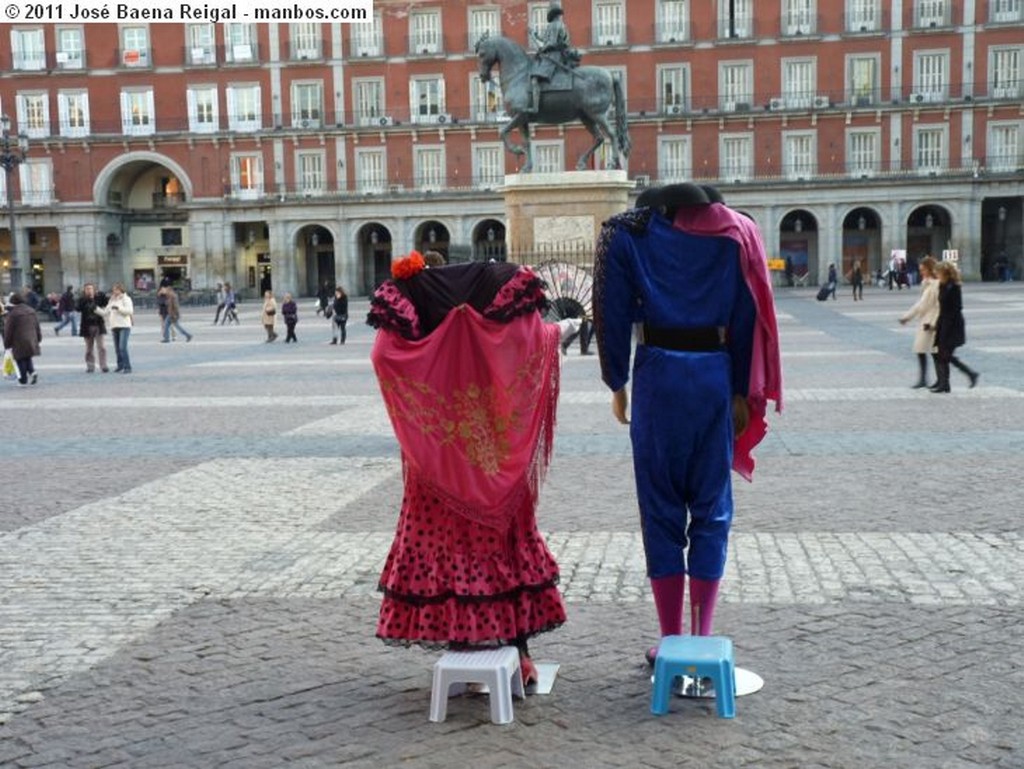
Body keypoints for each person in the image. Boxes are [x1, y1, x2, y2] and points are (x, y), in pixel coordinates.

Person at [593, 183, 782, 664]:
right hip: (714, 375)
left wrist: (616, 380)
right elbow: (746, 316)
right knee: (711, 506)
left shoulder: (627, 236)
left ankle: (670, 636)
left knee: (660, 509)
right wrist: (741, 385)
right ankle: (702, 633)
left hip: (657, 375)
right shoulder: (736, 235)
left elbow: (610, 312)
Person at [367, 250, 566, 687]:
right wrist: (556, 335)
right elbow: (530, 343)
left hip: (436, 459)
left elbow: (383, 357)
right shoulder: (500, 291)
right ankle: (520, 651)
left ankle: (462, 644)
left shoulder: (414, 303)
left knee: (443, 551)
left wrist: (424, 399)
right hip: (492, 453)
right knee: (505, 551)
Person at [931, 261, 979, 393]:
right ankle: (946, 384)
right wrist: (938, 325)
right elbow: (942, 307)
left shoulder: (954, 286)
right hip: (944, 323)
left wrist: (946, 327)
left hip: (954, 325)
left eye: (937, 272)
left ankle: (969, 374)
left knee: (944, 354)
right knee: (941, 355)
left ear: (944, 273)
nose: (936, 275)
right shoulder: (942, 285)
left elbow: (957, 308)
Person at [898, 256, 939, 389]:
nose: (921, 272)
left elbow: (929, 305)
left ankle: (940, 380)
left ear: (930, 269)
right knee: (922, 350)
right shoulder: (927, 283)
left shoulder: (935, 284)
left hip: (931, 322)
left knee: (933, 352)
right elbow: (920, 304)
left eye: (923, 270)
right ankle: (926, 379)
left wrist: (907, 317)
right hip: (925, 320)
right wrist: (906, 317)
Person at [528, 2, 575, 114]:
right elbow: (545, 40)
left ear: (551, 14)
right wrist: (534, 35)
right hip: (554, 54)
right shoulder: (558, 24)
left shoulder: (555, 25)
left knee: (534, 80)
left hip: (554, 56)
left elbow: (552, 43)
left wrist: (542, 50)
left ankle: (535, 108)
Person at [3, 293, 42, 386]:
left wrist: (7, 343)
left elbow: (8, 330)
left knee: (20, 359)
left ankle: (23, 380)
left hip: (18, 340)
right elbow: (37, 326)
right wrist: (39, 337)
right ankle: (33, 372)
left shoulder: (13, 314)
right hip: (31, 338)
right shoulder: (31, 311)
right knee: (27, 357)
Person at [96, 282, 135, 373]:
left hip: (124, 326)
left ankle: (127, 366)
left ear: (121, 290)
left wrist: (119, 308)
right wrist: (95, 309)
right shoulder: (112, 300)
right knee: (117, 348)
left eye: (117, 289)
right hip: (114, 326)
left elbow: (130, 311)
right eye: (114, 290)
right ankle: (120, 365)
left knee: (122, 347)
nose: (115, 291)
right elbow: (105, 312)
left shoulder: (126, 299)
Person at [77, 282, 109, 373]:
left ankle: (104, 366)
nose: (89, 290)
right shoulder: (82, 299)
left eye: (91, 288)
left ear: (94, 290)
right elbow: (77, 308)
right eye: (87, 289)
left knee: (102, 347)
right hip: (87, 327)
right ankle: (90, 366)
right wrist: (86, 299)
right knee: (89, 349)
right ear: (84, 290)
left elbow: (107, 303)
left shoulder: (98, 298)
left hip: (98, 325)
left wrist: (103, 295)